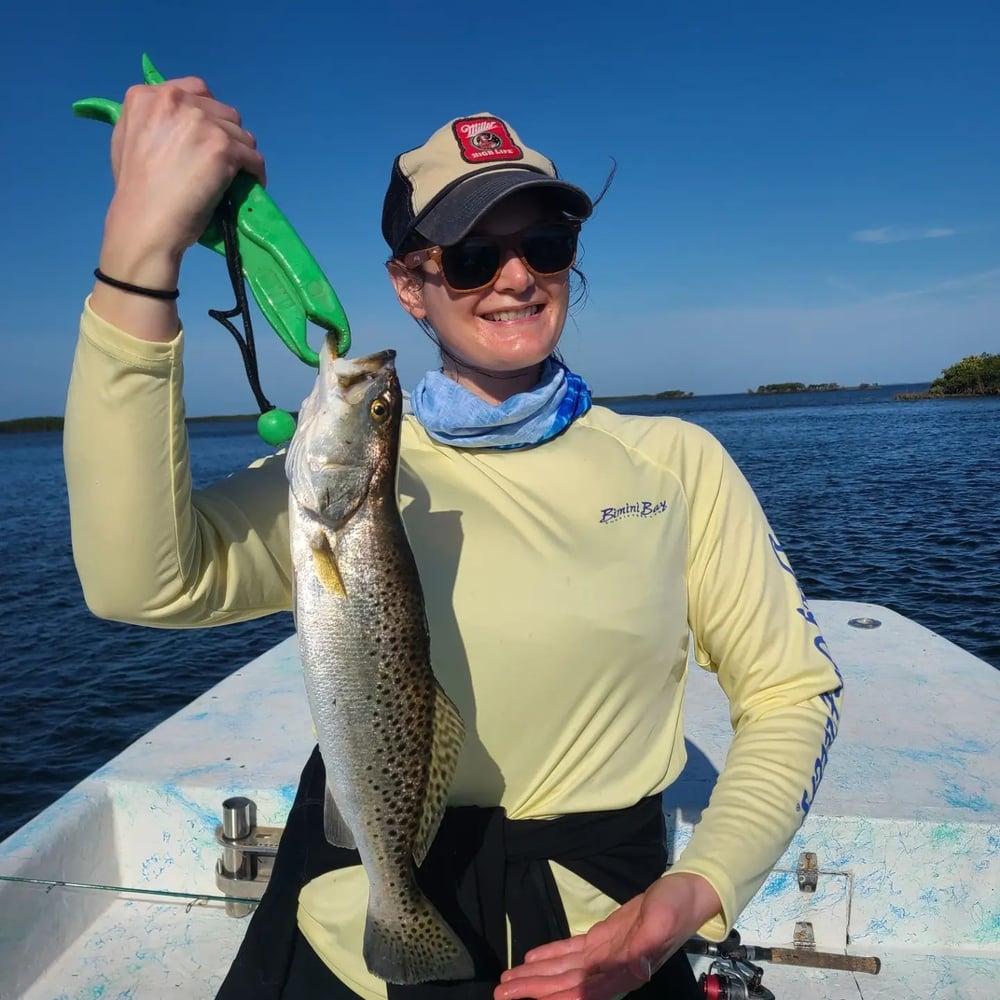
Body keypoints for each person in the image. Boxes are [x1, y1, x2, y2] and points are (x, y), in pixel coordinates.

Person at [64, 77, 844, 1000]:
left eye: (545, 246)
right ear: (410, 285)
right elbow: (138, 583)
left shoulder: (676, 462)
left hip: (600, 926)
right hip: (359, 906)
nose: (516, 278)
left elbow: (792, 694)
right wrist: (138, 255)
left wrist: (684, 899)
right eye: (472, 256)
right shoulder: (345, 482)